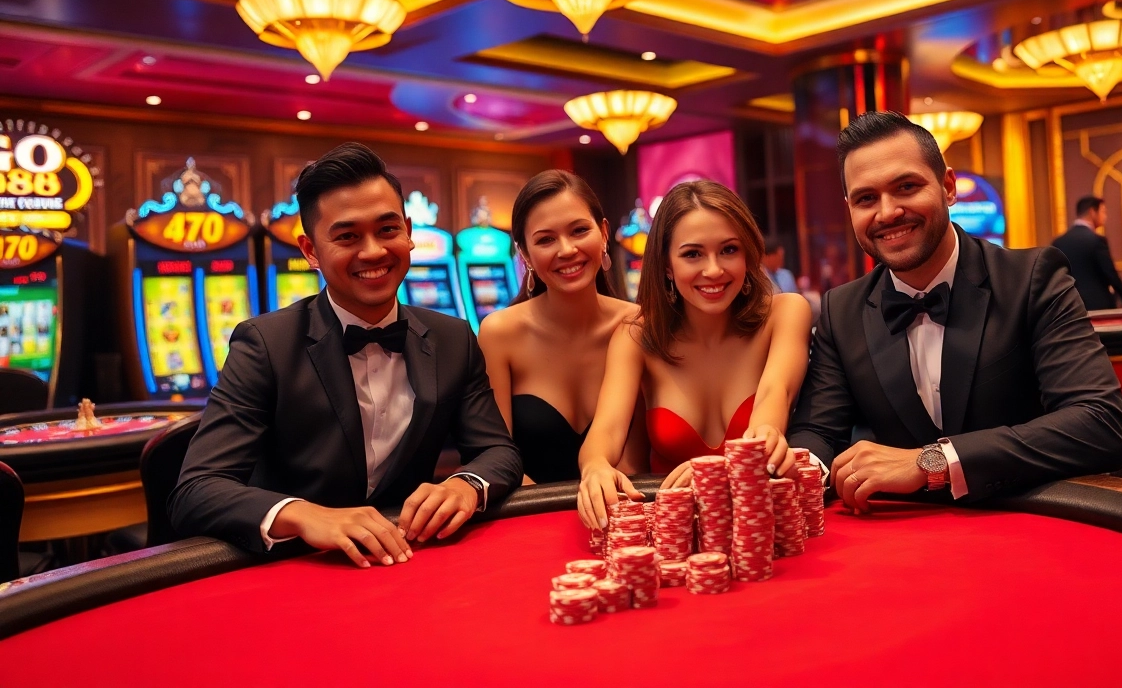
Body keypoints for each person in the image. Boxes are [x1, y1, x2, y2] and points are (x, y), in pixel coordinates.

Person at [169, 143, 523, 567]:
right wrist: (304, 516)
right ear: (310, 250)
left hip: (407, 559)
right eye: (347, 236)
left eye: (387, 230)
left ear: (408, 231)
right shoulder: (265, 344)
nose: (373, 251)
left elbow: (499, 452)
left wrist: (465, 485)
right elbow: (196, 490)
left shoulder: (453, 337)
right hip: (298, 567)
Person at [787, 111, 1122, 509]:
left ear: (948, 186)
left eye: (907, 187)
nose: (887, 212)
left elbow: (1099, 422)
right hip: (903, 539)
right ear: (849, 208)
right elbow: (818, 431)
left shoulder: (1032, 278)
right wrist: (800, 472)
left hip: (1029, 518)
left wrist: (932, 462)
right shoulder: (840, 309)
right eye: (866, 198)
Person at [576, 181, 813, 528]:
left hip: (757, 527)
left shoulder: (785, 313)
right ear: (667, 266)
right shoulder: (637, 335)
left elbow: (771, 401)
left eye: (729, 250)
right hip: (673, 532)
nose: (714, 270)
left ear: (747, 254)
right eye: (692, 254)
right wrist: (595, 465)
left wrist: (713, 471)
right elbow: (606, 431)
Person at [478, 170, 643, 484]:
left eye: (579, 230)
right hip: (527, 516)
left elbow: (635, 463)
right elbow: (494, 456)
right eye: (546, 239)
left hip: (620, 513)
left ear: (604, 233)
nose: (566, 249)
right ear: (525, 253)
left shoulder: (638, 325)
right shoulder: (499, 333)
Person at [1050, 196, 1122, 310]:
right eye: (1103, 212)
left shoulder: (1058, 242)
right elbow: (1110, 275)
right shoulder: (1096, 240)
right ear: (1092, 212)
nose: (1105, 217)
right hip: (1098, 306)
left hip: (1070, 307)